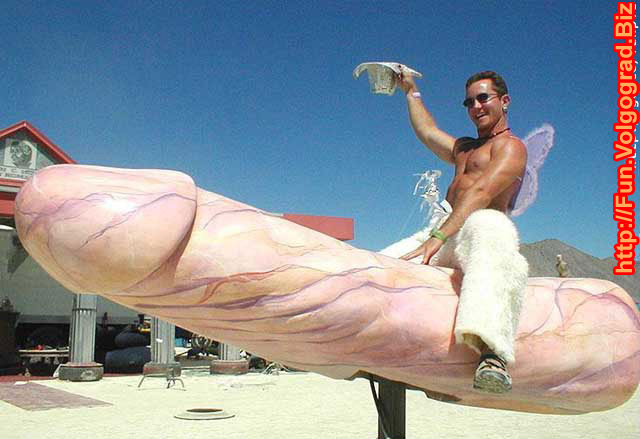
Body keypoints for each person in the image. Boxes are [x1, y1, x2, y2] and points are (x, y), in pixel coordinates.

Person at [396, 69, 529, 394]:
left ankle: (492, 355)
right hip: (442, 229)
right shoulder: (464, 148)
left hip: (478, 229)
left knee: (491, 226)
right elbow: (428, 132)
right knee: (384, 263)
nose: (476, 106)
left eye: (483, 98)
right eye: (469, 102)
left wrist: (438, 237)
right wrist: (411, 91)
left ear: (505, 101)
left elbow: (482, 192)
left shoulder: (512, 147)